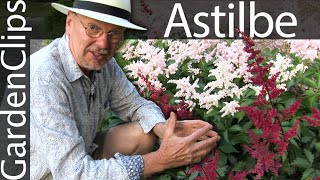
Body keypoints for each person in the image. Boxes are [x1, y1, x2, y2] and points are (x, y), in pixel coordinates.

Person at [30, 0, 221, 179]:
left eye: (114, 33)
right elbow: (73, 173)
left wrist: (165, 129)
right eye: (93, 28)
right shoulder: (46, 76)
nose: (103, 44)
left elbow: (135, 104)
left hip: (80, 156)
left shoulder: (105, 65)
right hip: (45, 174)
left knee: (143, 135)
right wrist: (163, 159)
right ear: (69, 23)